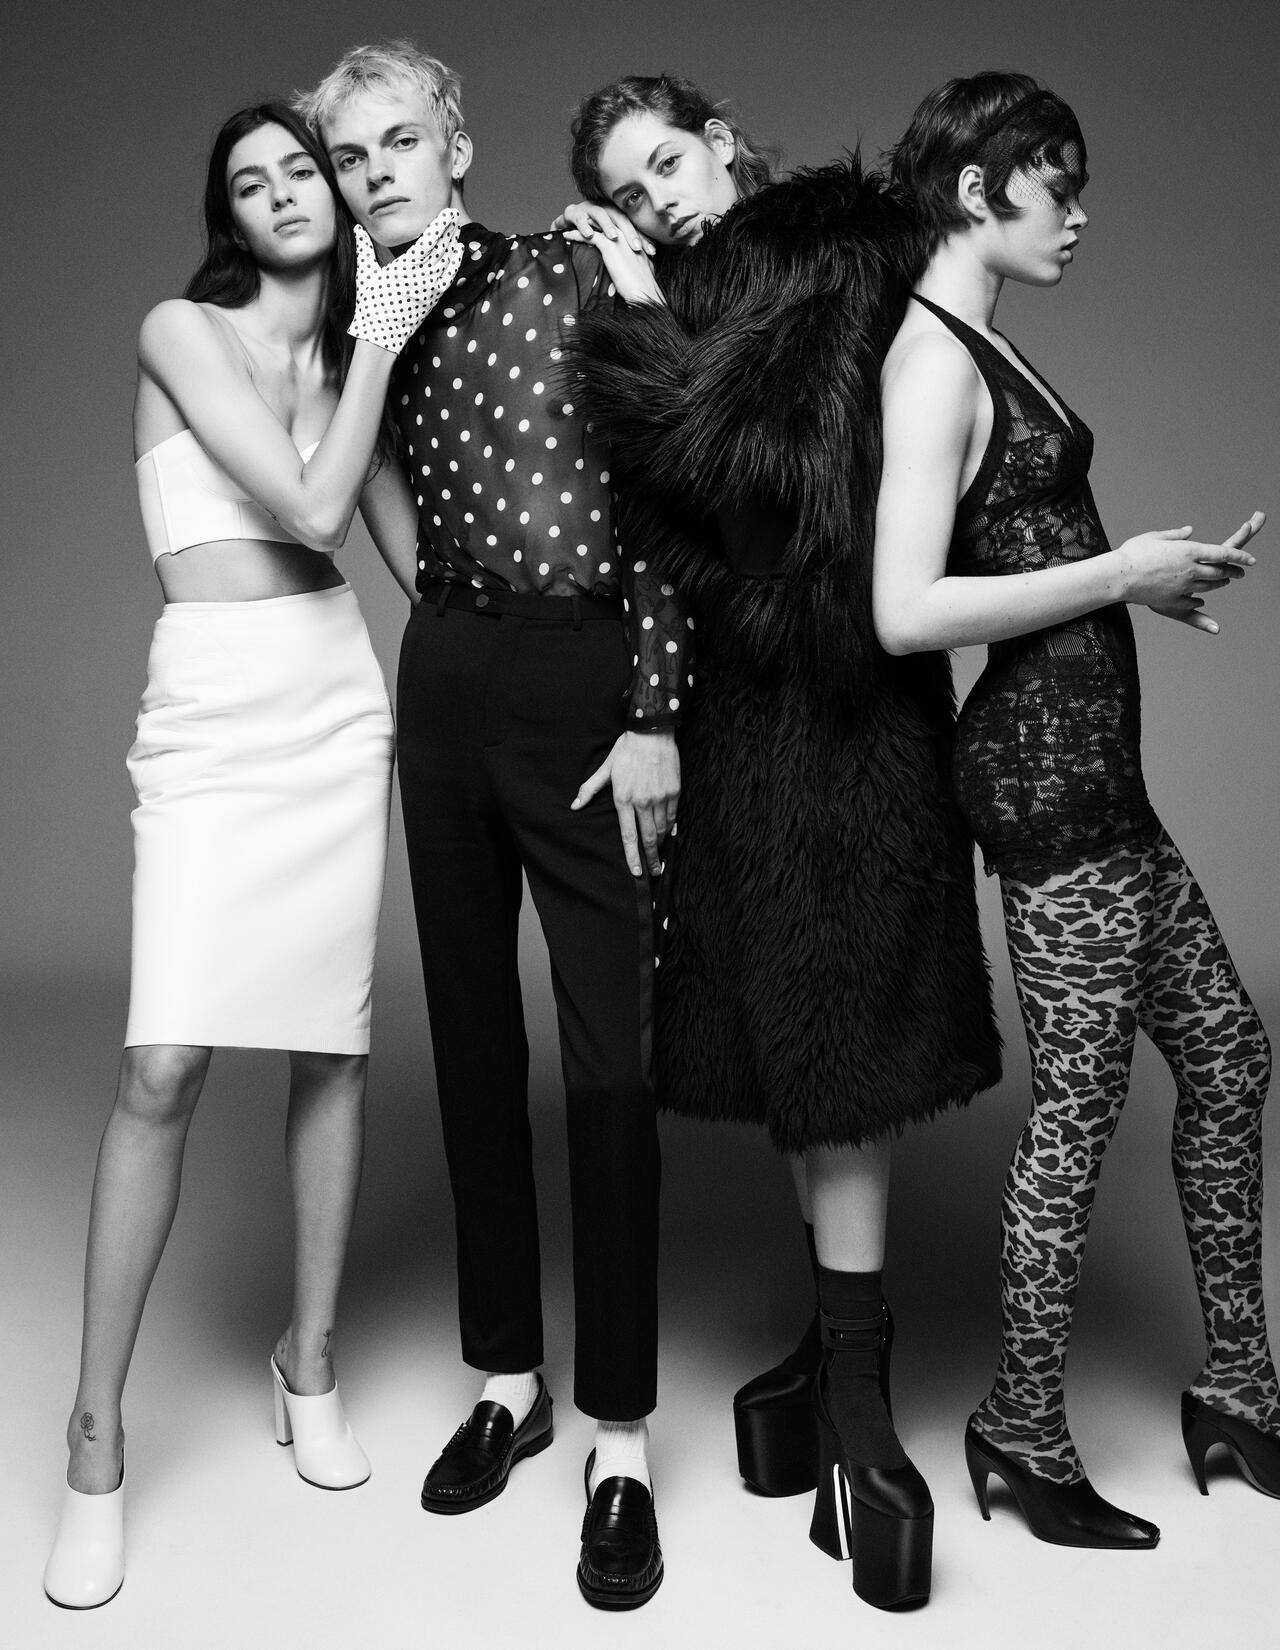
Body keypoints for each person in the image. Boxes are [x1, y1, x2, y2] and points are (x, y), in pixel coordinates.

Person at [564, 74, 1002, 1610]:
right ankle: (830, 1347)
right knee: (789, 1041)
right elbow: (665, 527)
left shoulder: (832, 249)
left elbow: (755, 491)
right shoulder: (712, 291)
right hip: (743, 713)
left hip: (845, 706)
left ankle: (863, 1411)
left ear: (723, 139)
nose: (657, 204)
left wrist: (634, 315)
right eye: (628, 197)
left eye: (666, 165)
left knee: (842, 1047)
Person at [42, 100, 462, 1610]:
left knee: (332, 1046)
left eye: (308, 169)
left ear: (341, 199)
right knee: (162, 1064)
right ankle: (96, 1439)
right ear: (227, 215)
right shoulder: (184, 331)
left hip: (334, 705)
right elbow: (314, 506)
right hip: (218, 711)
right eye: (252, 180)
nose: (285, 192)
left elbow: (427, 574)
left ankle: (313, 1361)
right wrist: (386, 338)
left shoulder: (350, 366)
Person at [297, 40, 683, 1610]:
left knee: (611, 1059)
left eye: (400, 141)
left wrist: (653, 710)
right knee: (468, 1034)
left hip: (589, 675)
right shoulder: (364, 320)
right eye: (350, 156)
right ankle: (508, 1377)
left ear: (456, 145)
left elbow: (666, 492)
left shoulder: (567, 268)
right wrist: (451, 628)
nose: (375, 173)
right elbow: (363, 493)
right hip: (450, 671)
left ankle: (620, 1434)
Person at [874, 71, 1273, 1549]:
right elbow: (906, 607)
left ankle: (1240, 1387)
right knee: (1082, 1110)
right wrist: (1120, 574)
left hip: (1099, 777)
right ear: (978, 190)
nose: (1080, 211)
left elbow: (1025, 539)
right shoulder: (930, 358)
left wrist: (1148, 584)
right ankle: (1023, 1429)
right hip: (1046, 787)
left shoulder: (984, 336)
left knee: (1229, 1057)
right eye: (1059, 183)